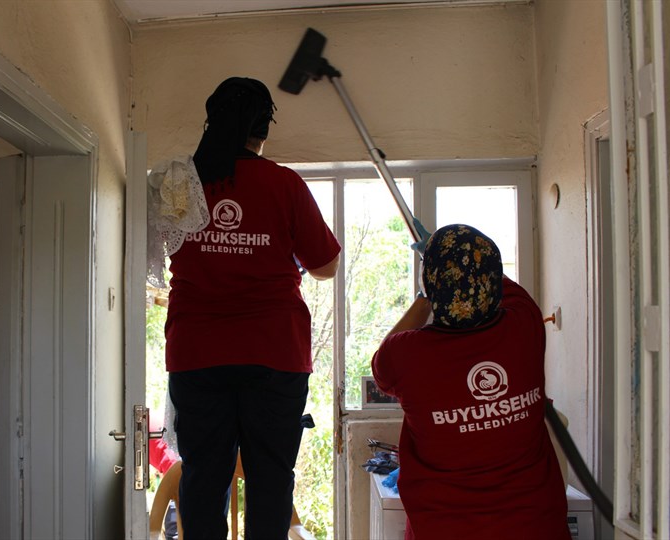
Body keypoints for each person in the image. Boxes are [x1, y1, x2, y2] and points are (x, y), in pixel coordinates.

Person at [165, 76, 341, 540]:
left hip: (197, 352)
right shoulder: (284, 184)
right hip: (274, 353)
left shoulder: (181, 184)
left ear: (211, 122)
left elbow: (158, 248)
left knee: (203, 477)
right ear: (262, 130)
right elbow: (326, 266)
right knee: (271, 478)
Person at [370, 224, 570, 540]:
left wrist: (426, 294)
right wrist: (467, 263)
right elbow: (495, 279)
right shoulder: (526, 324)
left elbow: (381, 367)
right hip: (536, 527)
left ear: (431, 283)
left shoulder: (406, 355)